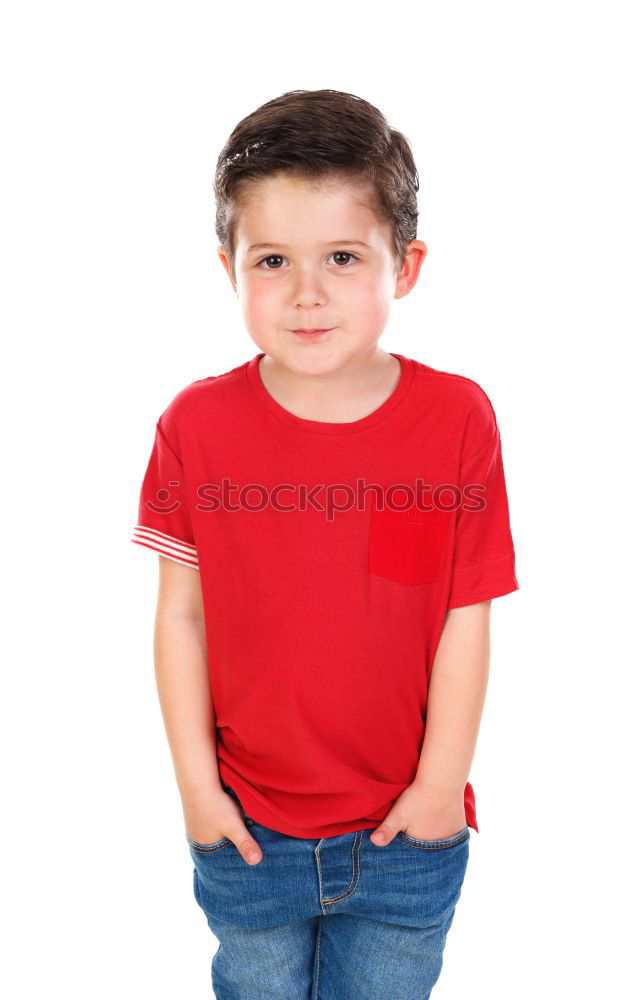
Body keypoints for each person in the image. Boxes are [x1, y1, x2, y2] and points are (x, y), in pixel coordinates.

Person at [131, 88, 519, 999]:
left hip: (404, 836)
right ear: (228, 265)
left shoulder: (455, 419)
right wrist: (197, 788)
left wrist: (437, 792)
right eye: (272, 259)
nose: (307, 293)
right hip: (248, 831)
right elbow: (179, 617)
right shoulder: (197, 424)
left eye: (342, 257)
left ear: (404, 266)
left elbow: (464, 615)